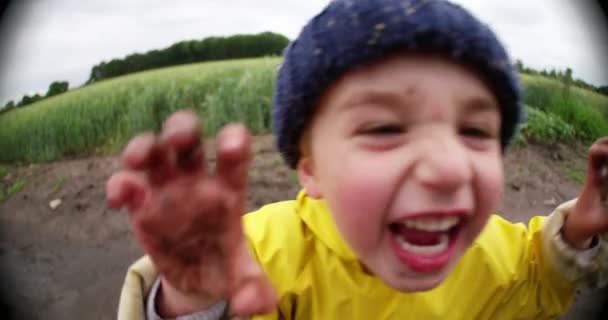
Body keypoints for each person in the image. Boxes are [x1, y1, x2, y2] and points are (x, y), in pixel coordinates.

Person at [107, 0, 608, 319]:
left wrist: (577, 233)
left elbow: (532, 281)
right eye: (386, 128)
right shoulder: (263, 256)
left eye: (476, 131)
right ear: (310, 167)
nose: (451, 168)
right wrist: (194, 302)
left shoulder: (492, 252)